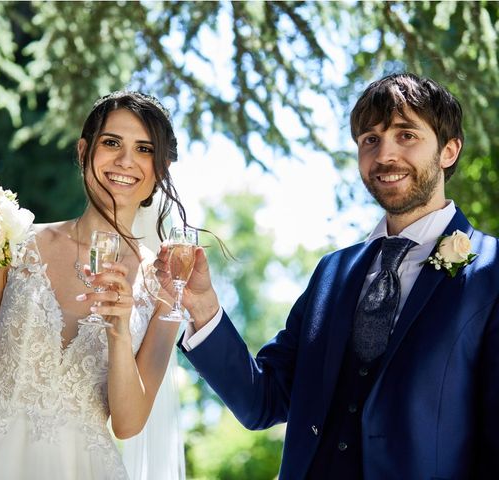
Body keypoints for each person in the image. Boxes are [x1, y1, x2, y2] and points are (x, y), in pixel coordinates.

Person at [155, 73, 499, 479]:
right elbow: (263, 401)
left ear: (449, 150)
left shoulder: (490, 273)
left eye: (406, 135)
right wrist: (202, 305)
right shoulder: (332, 273)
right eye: (370, 140)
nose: (385, 155)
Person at [0, 91, 187, 480]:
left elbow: (128, 424)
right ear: (83, 151)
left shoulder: (163, 287)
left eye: (144, 149)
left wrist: (119, 334)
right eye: (111, 142)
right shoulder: (16, 244)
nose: (125, 161)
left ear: (160, 169)